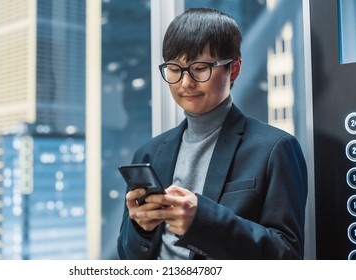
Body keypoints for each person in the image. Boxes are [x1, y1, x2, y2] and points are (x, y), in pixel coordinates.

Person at [117, 7, 308, 260]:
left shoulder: (276, 148)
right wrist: (140, 227)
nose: (186, 83)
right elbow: (128, 255)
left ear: (234, 69)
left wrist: (202, 222)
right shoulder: (149, 152)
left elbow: (287, 256)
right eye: (175, 68)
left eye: (200, 67)